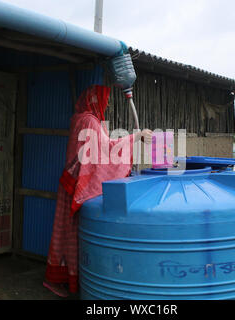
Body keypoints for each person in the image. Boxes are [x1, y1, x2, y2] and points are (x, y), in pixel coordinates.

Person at [44, 84, 152, 297]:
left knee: (64, 234)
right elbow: (106, 149)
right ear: (96, 101)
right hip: (77, 185)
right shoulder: (90, 121)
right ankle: (67, 281)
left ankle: (58, 277)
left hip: (69, 181)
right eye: (105, 100)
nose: (108, 104)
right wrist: (135, 137)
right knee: (73, 235)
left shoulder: (78, 117)